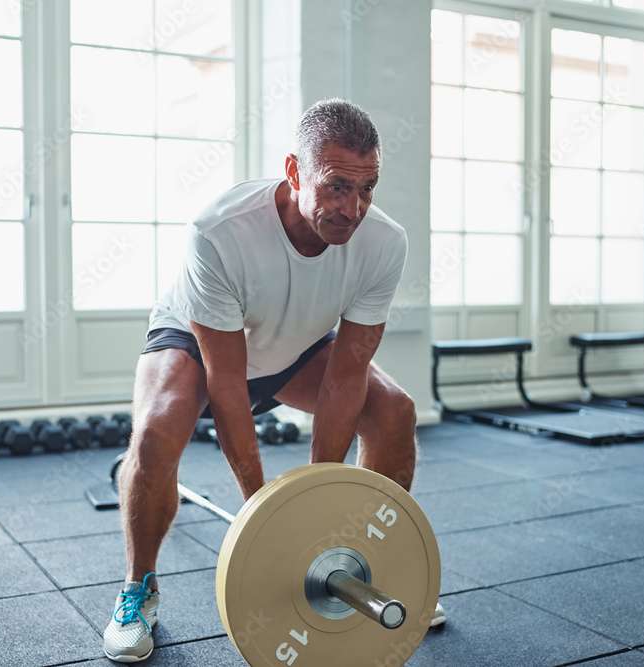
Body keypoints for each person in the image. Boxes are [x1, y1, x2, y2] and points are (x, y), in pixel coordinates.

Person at [103, 98, 442, 664]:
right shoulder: (221, 230)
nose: (353, 208)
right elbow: (228, 383)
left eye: (367, 188)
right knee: (157, 434)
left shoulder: (384, 242)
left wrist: (319, 522)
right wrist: (268, 518)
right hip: (200, 343)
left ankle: (359, 558)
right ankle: (138, 589)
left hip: (299, 345)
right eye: (336, 186)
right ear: (293, 171)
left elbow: (345, 378)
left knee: (395, 412)